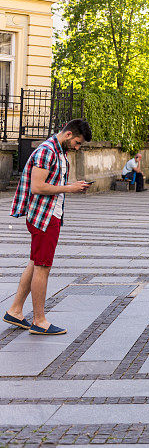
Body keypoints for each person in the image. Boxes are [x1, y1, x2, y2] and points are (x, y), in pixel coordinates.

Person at [5, 119, 92, 335]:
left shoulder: (58, 151)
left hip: (50, 214)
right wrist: (70, 188)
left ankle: (15, 311)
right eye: (78, 143)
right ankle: (39, 320)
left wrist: (72, 188)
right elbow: (37, 186)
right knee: (43, 267)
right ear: (69, 134)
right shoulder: (47, 151)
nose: (77, 148)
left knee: (35, 262)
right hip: (44, 216)